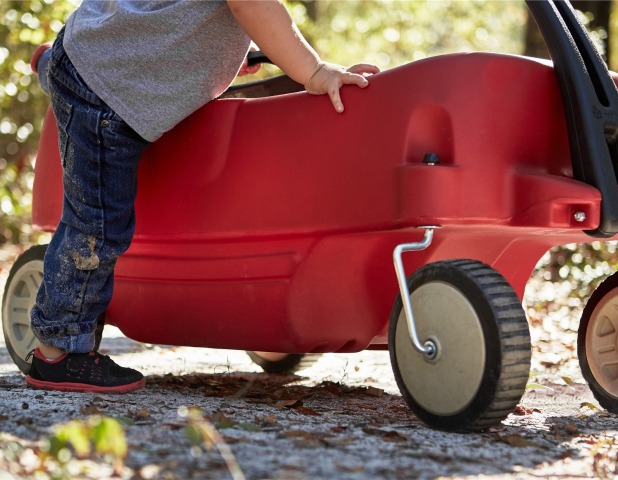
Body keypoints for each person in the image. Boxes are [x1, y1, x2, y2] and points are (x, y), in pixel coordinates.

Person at [26, 0, 379, 394]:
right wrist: (313, 71)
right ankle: (58, 350)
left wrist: (224, 51)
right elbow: (251, 5)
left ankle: (53, 66)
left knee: (73, 74)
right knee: (99, 223)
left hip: (111, 60)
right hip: (106, 91)